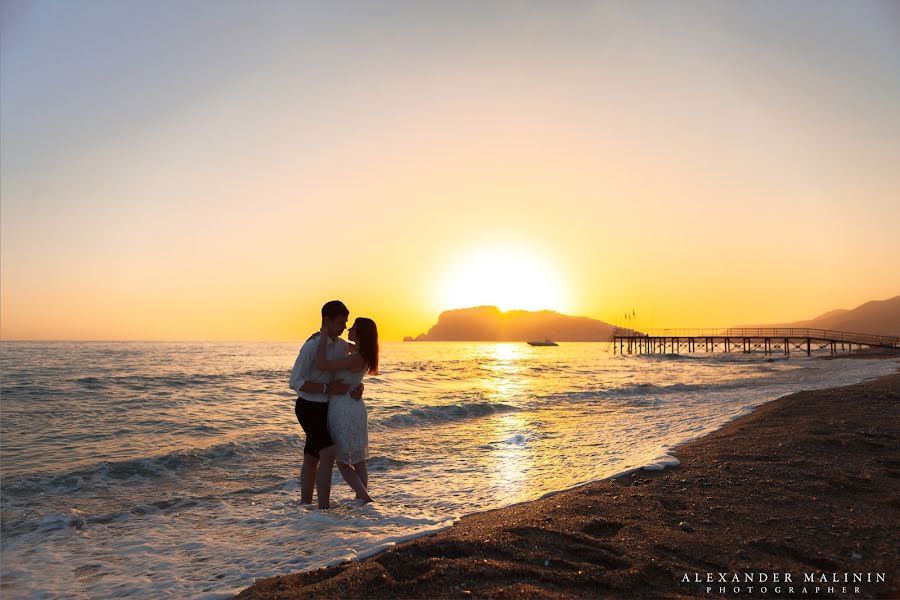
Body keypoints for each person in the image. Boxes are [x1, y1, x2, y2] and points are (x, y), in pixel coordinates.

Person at [289, 301, 363, 509]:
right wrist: (326, 389)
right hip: (308, 407)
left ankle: (305, 506)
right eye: (340, 323)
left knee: (312, 457)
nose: (343, 328)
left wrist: (359, 385)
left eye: (346, 323)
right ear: (326, 321)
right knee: (329, 452)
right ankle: (324, 509)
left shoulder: (341, 346)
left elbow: (352, 369)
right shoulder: (311, 346)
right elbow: (295, 381)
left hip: (328, 408)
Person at [315, 317, 379, 503]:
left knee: (342, 462)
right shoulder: (363, 353)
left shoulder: (355, 358)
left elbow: (323, 364)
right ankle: (361, 499)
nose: (348, 330)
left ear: (359, 333)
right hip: (354, 408)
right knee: (358, 461)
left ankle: (366, 498)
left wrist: (323, 336)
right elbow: (344, 345)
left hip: (343, 409)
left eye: (353, 328)